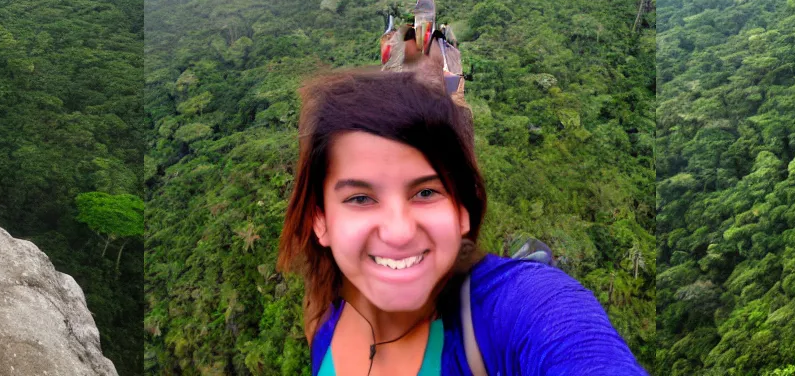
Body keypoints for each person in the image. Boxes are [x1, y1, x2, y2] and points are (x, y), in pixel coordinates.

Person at [276, 67, 646, 375]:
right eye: (360, 198)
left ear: (462, 211)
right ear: (319, 221)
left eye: (426, 193)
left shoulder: (517, 310)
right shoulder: (325, 324)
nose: (399, 231)